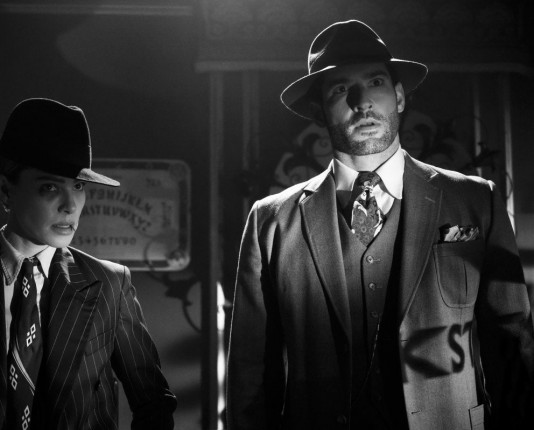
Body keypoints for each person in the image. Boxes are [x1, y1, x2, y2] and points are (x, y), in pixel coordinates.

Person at [226, 20, 534, 430]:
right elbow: (250, 371)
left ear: (400, 96)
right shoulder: (272, 221)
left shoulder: (475, 201)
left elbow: (512, 350)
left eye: (375, 82)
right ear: (318, 110)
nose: (363, 102)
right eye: (340, 89)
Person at [0, 98, 177, 429]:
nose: (70, 205)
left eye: (79, 186)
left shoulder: (109, 284)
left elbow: (154, 403)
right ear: (5, 190)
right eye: (49, 186)